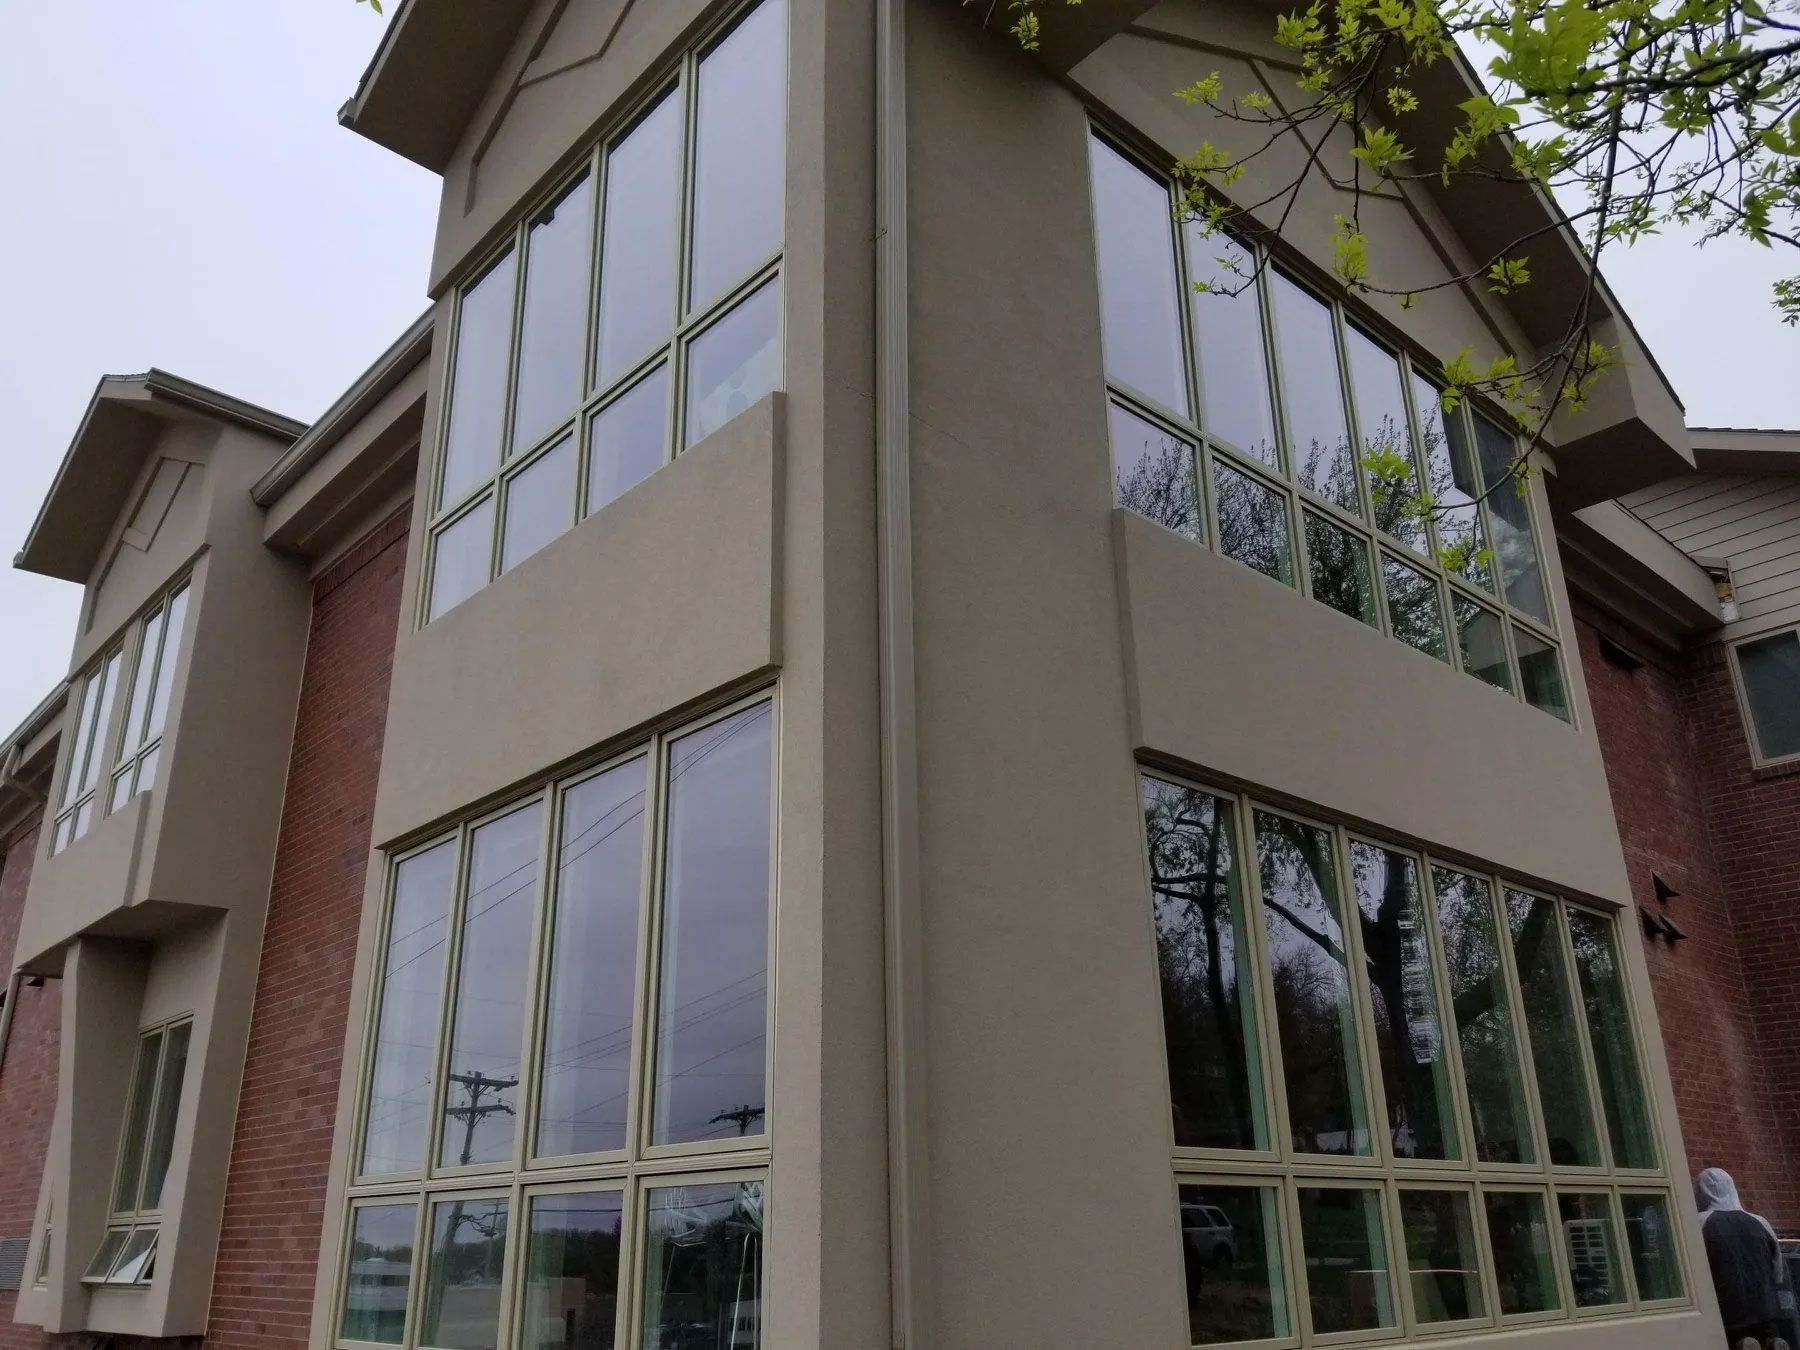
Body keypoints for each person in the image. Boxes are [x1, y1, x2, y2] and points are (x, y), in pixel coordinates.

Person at [1697, 1167, 1791, 1350]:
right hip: (1766, 1314)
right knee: (1766, 1331)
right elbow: (1778, 1273)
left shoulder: (1699, 1222)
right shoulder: (1761, 1222)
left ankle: (1743, 1344)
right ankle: (1772, 1341)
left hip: (1727, 1317)